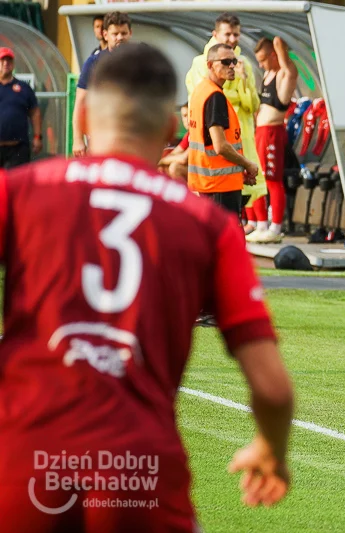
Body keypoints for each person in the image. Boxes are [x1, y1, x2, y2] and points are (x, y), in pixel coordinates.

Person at [0, 44, 294, 531]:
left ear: (88, 116)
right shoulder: (206, 225)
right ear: (171, 130)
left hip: (24, 459)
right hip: (140, 471)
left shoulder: (22, 190)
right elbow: (273, 388)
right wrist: (271, 450)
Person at [185, 13, 265, 229]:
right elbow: (219, 145)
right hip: (219, 182)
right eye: (226, 62)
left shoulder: (204, 90)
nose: (232, 66)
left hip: (213, 178)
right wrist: (246, 164)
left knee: (215, 239)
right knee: (228, 239)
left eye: (233, 61)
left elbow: (252, 104)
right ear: (210, 65)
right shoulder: (214, 95)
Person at [247, 36, 298, 244]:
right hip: (260, 132)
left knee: (272, 180)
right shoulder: (268, 74)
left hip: (272, 133)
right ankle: (261, 225)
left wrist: (279, 45)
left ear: (274, 56)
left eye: (263, 59)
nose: (260, 64)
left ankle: (275, 227)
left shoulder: (285, 76)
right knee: (257, 179)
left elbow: (290, 70)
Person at [73, 11, 133, 157]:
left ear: (130, 33)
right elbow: (80, 102)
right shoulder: (94, 63)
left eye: (124, 33)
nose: (120, 38)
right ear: (105, 35)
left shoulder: (138, 62)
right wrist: (77, 139)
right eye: (115, 34)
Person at [0, 47, 42, 168]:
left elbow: (35, 112)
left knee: (16, 185)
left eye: (9, 61)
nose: (6, 63)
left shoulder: (23, 88)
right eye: (2, 60)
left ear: (13, 64)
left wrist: (37, 137)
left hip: (17, 149)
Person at [158, 103, 189, 180]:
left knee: (175, 167)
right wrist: (163, 161)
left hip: (204, 173)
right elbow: (174, 153)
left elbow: (183, 158)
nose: (187, 119)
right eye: (184, 116)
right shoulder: (189, 134)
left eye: (189, 115)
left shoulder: (198, 134)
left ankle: (183, 191)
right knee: (163, 166)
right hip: (194, 170)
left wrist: (161, 161)